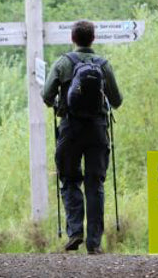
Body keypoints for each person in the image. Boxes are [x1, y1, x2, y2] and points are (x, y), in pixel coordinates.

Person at [41, 20, 123, 255]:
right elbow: (117, 101)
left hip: (70, 130)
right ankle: (94, 243)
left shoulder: (63, 63)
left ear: (73, 38)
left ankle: (75, 231)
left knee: (69, 179)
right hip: (97, 130)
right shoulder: (103, 65)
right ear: (93, 39)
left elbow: (46, 96)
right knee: (95, 184)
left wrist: (59, 103)